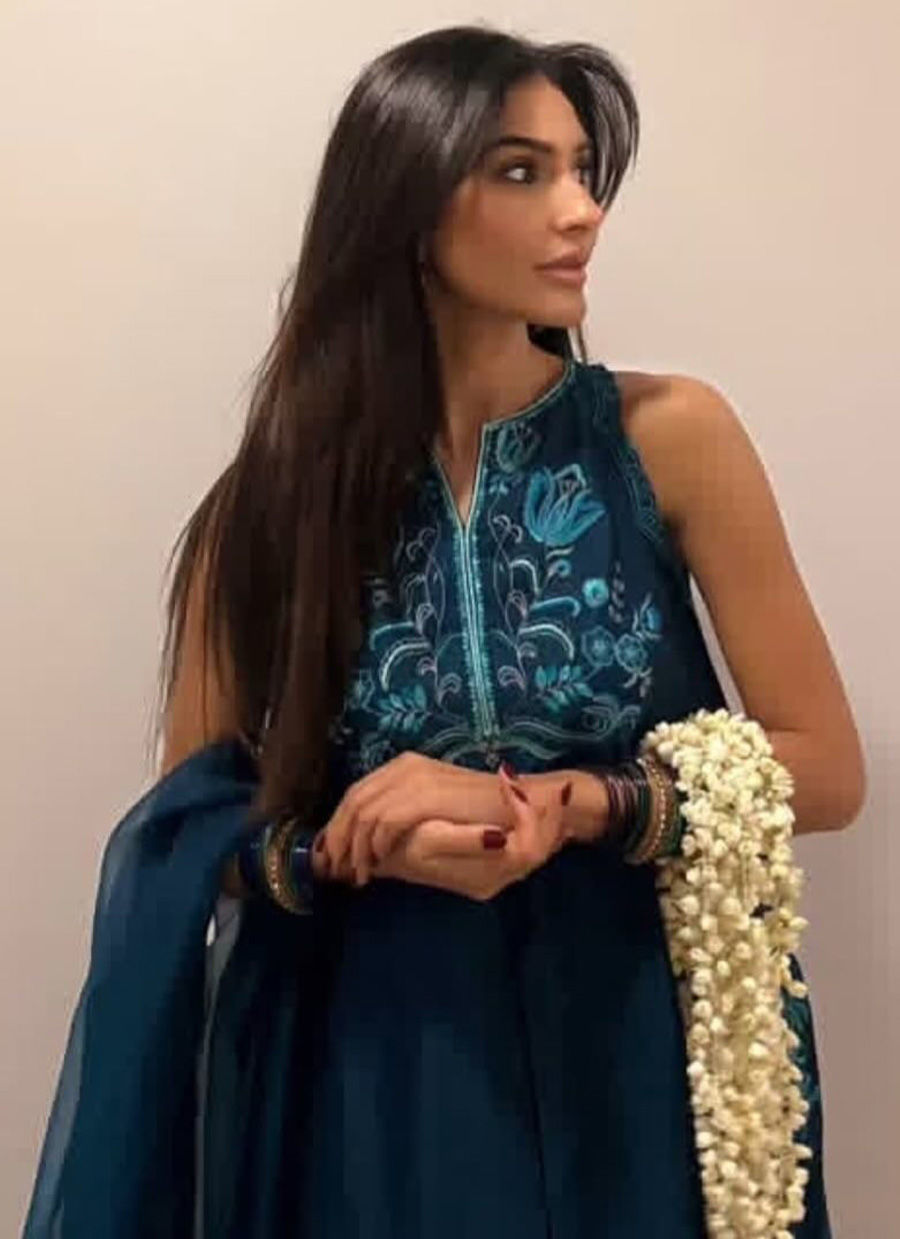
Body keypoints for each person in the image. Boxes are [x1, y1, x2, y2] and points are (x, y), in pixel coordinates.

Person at [29, 23, 865, 1239]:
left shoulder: (668, 440)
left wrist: (581, 802)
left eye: (583, 171)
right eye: (523, 171)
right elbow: (194, 831)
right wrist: (357, 845)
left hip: (643, 1053)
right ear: (406, 204)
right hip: (380, 1079)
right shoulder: (270, 509)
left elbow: (826, 768)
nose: (581, 211)